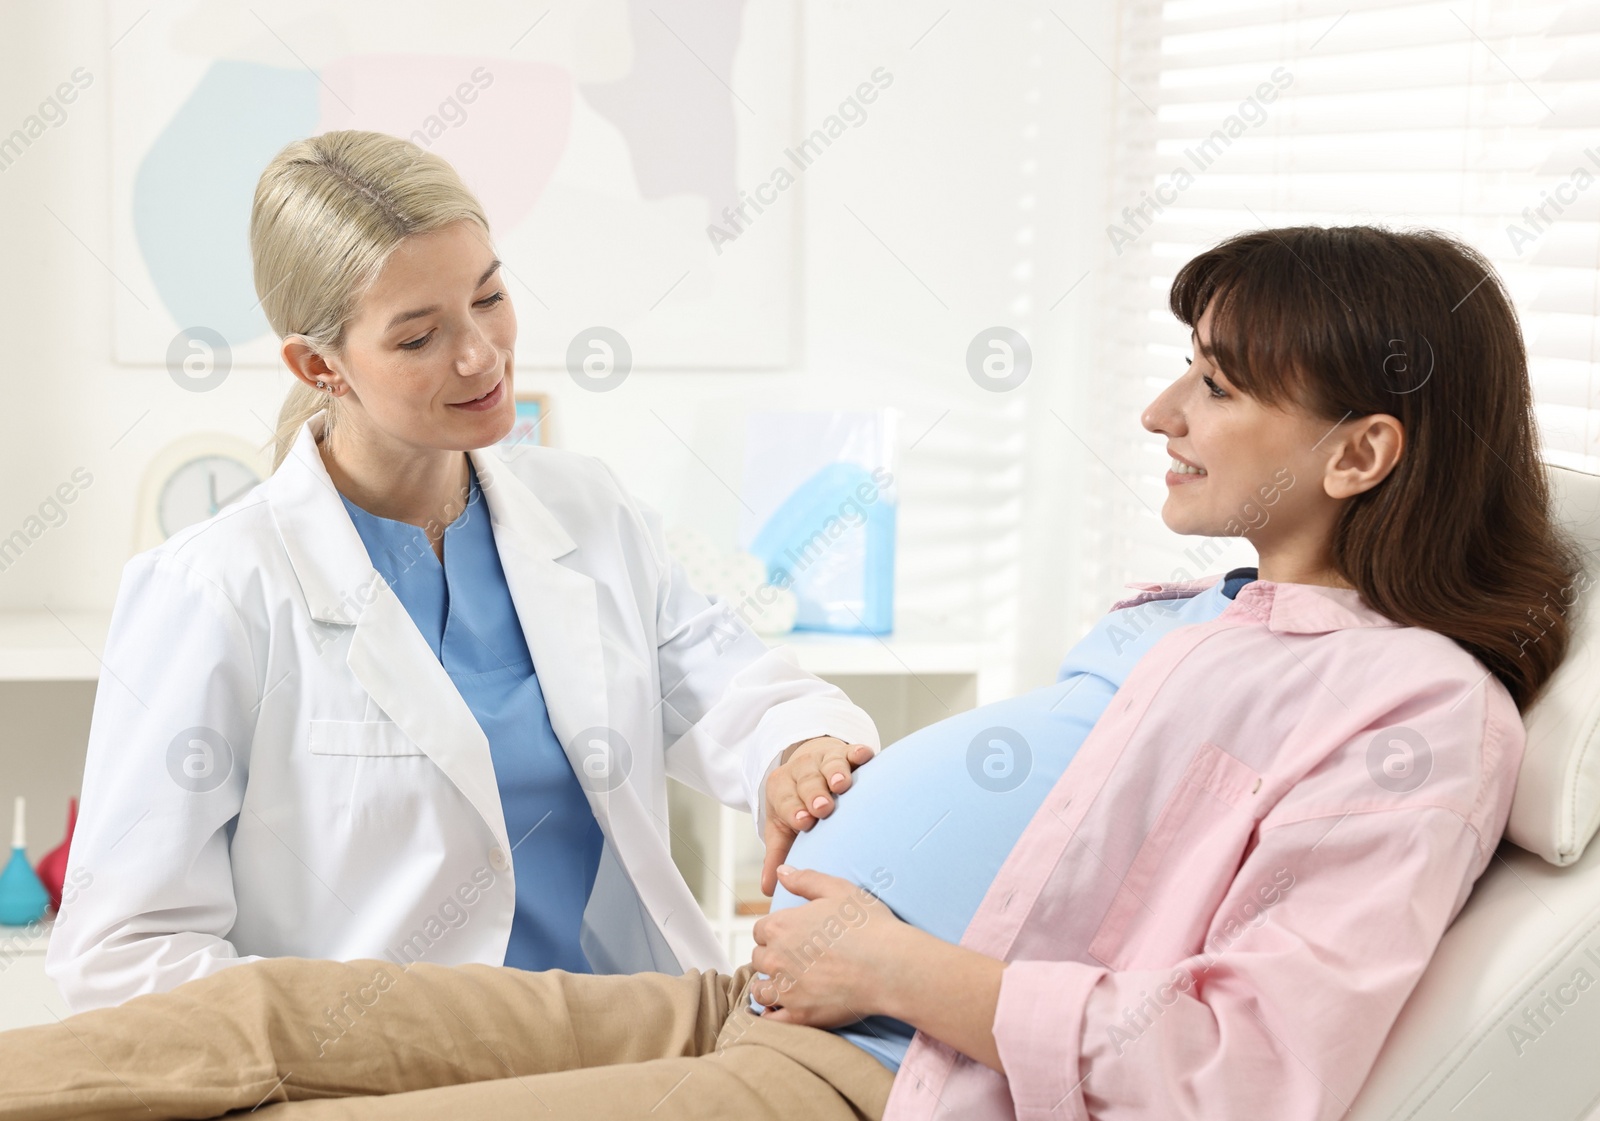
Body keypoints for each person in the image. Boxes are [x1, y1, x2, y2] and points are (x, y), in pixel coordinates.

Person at [5, 225, 1580, 1121]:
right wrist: (829, 782)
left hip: (872, 1071)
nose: (1162, 410)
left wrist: (892, 970)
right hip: (736, 995)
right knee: (258, 1022)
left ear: (1364, 451)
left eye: (1218, 383)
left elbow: (1233, 1064)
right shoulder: (1197, 609)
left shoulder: (1411, 710)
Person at [45, 130, 881, 1012]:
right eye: (418, 338)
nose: (481, 354)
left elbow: (738, 693)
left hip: (628, 1049)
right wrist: (368, 1037)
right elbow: (120, 951)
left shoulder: (587, 513)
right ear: (318, 365)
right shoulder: (215, 590)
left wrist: (801, 752)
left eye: (489, 297)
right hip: (389, 1082)